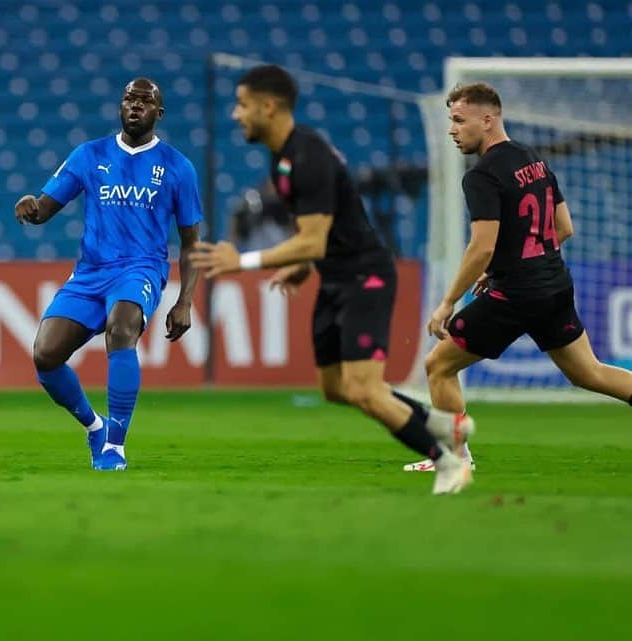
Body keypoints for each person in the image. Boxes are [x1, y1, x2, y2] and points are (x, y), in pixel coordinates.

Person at [189, 64, 474, 495]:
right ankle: (440, 422)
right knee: (336, 389)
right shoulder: (283, 157)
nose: (236, 114)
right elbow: (318, 233)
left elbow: (315, 240)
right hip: (335, 277)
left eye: (242, 105)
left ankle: (448, 461)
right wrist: (302, 266)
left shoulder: (307, 156)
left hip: (365, 277)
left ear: (269, 106)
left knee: (365, 390)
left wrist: (242, 261)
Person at [405, 82, 632, 472]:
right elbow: (564, 227)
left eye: (459, 120)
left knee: (438, 366)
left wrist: (447, 302)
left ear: (487, 119)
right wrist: (511, 268)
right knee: (588, 372)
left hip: (517, 295)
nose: (452, 130)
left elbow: (482, 247)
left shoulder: (481, 176)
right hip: (554, 285)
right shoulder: (534, 160)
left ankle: (455, 459)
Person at [14, 78, 202, 471]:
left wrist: (185, 300)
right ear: (120, 107)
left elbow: (190, 242)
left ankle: (115, 445)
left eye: (144, 102)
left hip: (140, 268)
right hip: (90, 272)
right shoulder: (89, 155)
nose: (135, 106)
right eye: (129, 100)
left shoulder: (177, 168)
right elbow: (45, 208)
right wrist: (31, 206)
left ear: (158, 114)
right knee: (45, 355)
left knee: (121, 328)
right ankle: (94, 426)